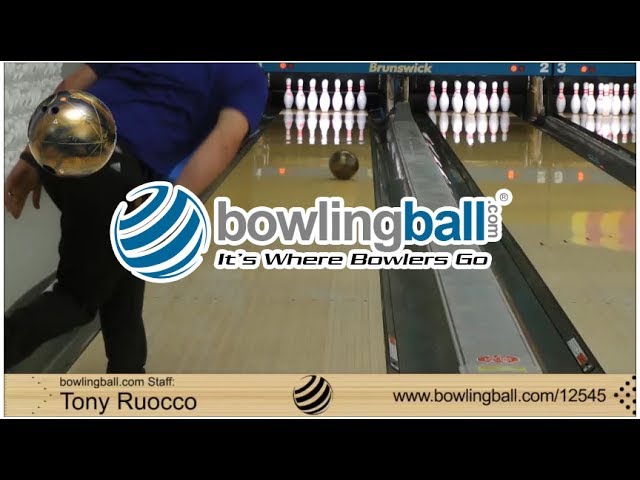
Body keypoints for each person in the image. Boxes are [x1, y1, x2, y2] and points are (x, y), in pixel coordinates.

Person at [4, 63, 268, 373]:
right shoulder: (244, 72)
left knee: (121, 259)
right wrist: (171, 208)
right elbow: (225, 141)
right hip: (112, 166)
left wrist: (32, 156)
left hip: (63, 144)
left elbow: (68, 88)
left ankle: (127, 370)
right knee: (76, 298)